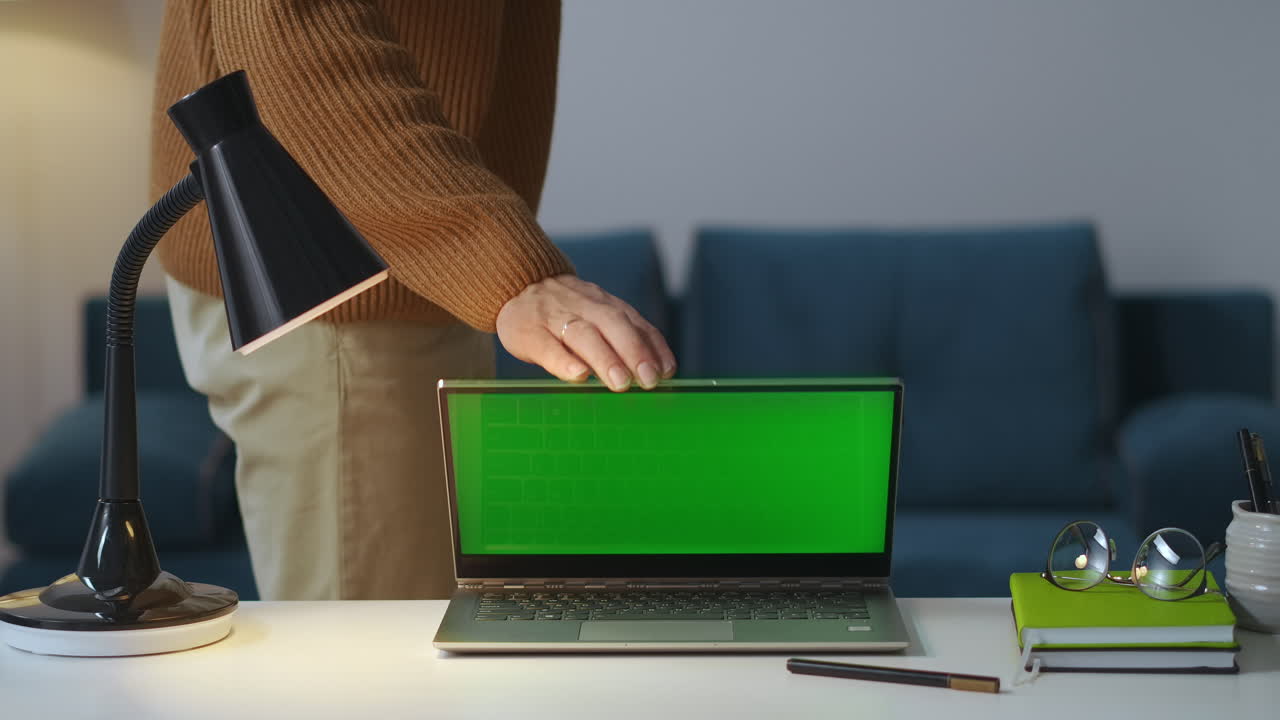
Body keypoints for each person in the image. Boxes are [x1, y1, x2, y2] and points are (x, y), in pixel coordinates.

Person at [150, 0, 676, 601]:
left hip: (415, 278)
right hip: (344, 292)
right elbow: (296, 35)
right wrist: (500, 265)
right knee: (371, 669)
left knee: (414, 640)